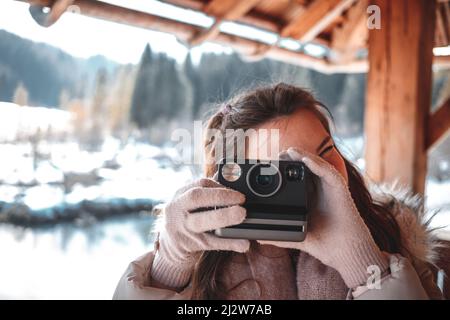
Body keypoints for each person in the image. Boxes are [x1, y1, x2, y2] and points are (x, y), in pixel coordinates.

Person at [113, 83, 443, 300]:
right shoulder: (202, 254)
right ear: (234, 181)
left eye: (325, 152)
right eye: (283, 170)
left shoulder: (394, 236)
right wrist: (168, 269)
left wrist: (368, 268)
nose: (318, 175)